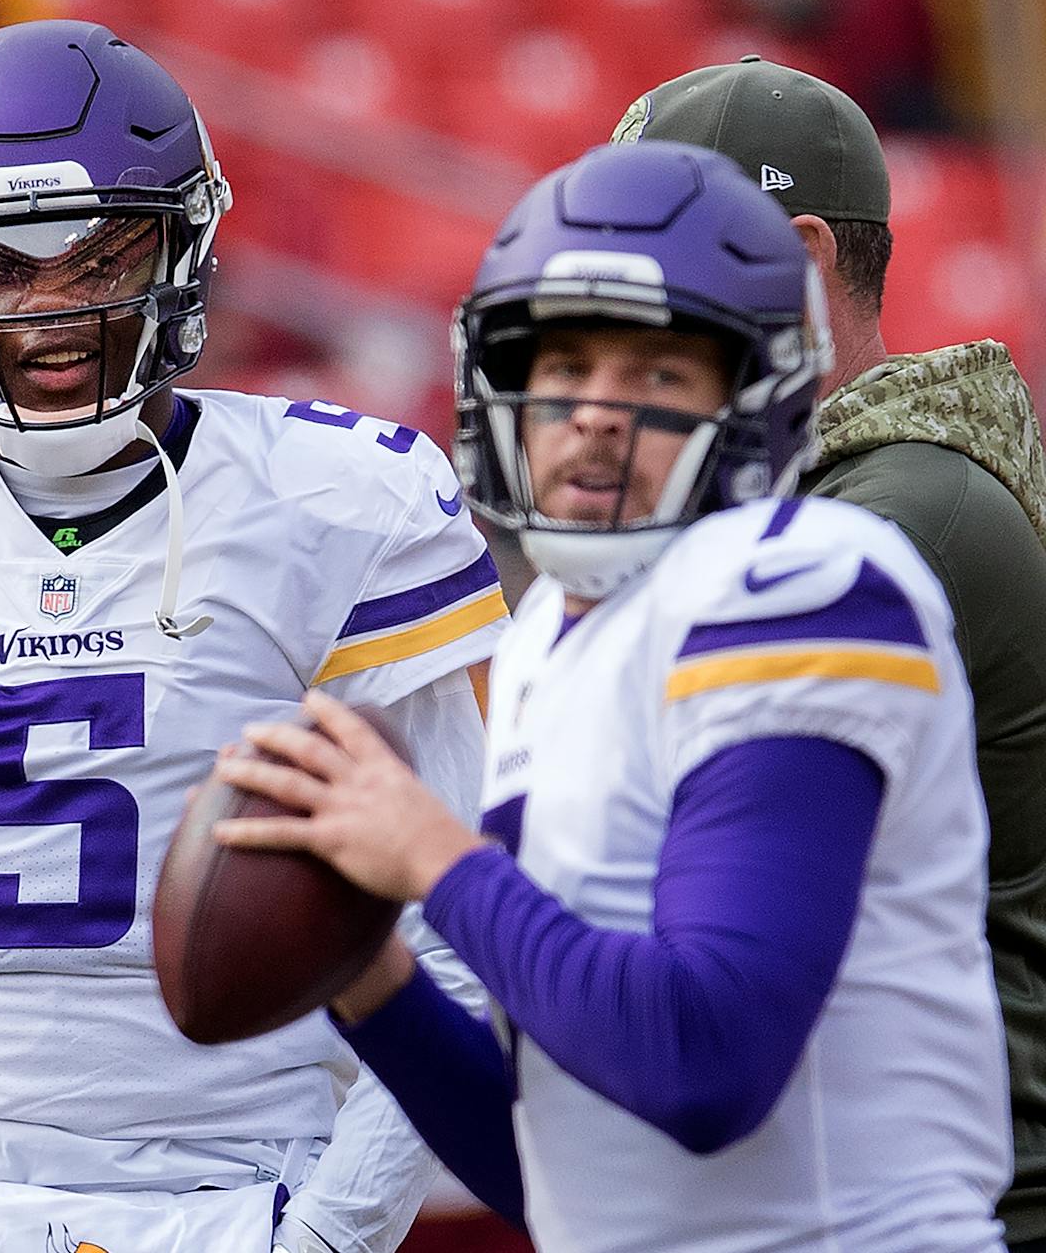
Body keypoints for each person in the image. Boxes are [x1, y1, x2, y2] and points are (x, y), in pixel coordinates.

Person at [0, 19, 508, 1253]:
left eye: (98, 256)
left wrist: (337, 1225)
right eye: (1, 266)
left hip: (244, 1190)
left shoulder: (339, 504)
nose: (51, 312)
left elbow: (460, 921)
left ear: (184, 248)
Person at [212, 140, 1013, 1251]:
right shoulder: (549, 629)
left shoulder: (798, 579)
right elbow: (554, 1170)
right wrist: (366, 978)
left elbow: (705, 1069)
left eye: (655, 374)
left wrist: (435, 863)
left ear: (755, 402)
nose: (593, 411)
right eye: (563, 366)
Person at [610, 56, 1046, 1250]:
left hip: (947, 1197)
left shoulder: (884, 527)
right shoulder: (817, 494)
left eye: (652, 251)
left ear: (797, 259)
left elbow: (654, 891)